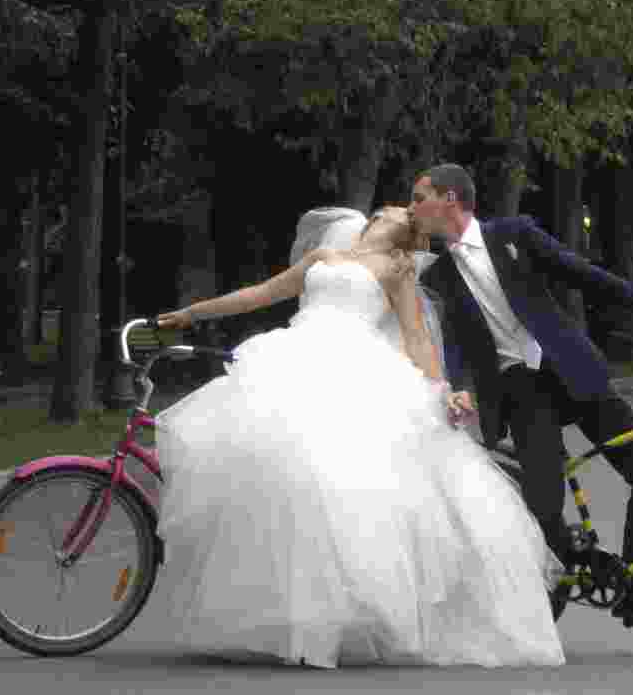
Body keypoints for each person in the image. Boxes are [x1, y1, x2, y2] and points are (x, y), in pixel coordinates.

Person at [152, 206, 566, 668]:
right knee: (282, 478)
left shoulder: (397, 268)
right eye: (392, 205)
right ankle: (298, 610)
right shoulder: (322, 257)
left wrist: (441, 390)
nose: (393, 208)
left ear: (403, 230)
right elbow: (261, 294)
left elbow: (416, 337)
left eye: (402, 209)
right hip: (297, 363)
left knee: (342, 486)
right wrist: (191, 313)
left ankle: (348, 612)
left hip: (358, 373)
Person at [411, 163, 633, 628]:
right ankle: (581, 564)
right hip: (520, 391)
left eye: (419, 196)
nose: (413, 207)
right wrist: (456, 388)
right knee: (544, 507)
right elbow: (449, 341)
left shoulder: (515, 233)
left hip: (571, 369)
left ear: (449, 199)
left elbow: (583, 274)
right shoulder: (438, 275)